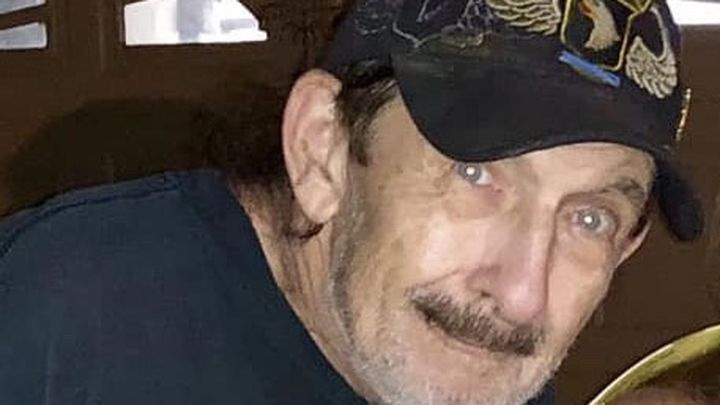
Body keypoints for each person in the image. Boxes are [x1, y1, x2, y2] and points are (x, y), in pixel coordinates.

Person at [0, 0, 704, 404]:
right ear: (323, 151)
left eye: (589, 218)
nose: (523, 295)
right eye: (475, 173)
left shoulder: (469, 355)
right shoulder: (61, 326)